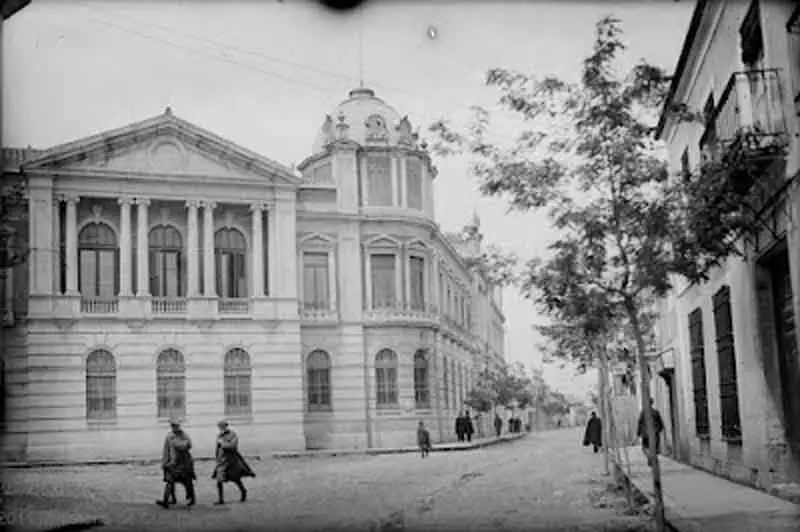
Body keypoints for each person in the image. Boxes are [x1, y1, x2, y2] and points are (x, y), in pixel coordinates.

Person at [212, 420, 256, 505]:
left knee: (235, 478)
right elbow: (218, 448)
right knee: (219, 479)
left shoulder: (232, 434)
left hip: (231, 459)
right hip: (222, 461)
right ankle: (221, 499)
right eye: (220, 427)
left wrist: (223, 444)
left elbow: (232, 445)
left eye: (222, 426)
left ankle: (243, 491)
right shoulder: (219, 435)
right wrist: (218, 457)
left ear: (226, 426)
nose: (221, 428)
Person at [156, 417, 196, 509]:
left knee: (187, 481)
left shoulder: (184, 434)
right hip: (172, 463)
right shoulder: (169, 436)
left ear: (179, 426)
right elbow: (166, 450)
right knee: (170, 481)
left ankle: (192, 499)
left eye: (176, 425)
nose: (174, 427)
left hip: (184, 462)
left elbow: (189, 445)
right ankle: (168, 500)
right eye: (173, 425)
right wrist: (164, 462)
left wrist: (178, 443)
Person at [637, 398, 665, 466]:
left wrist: (638, 433)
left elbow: (640, 423)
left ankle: (650, 457)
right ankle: (653, 458)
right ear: (652, 403)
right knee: (655, 449)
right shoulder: (656, 412)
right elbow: (661, 424)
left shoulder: (643, 413)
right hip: (655, 434)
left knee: (644, 448)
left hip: (646, 435)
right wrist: (658, 430)